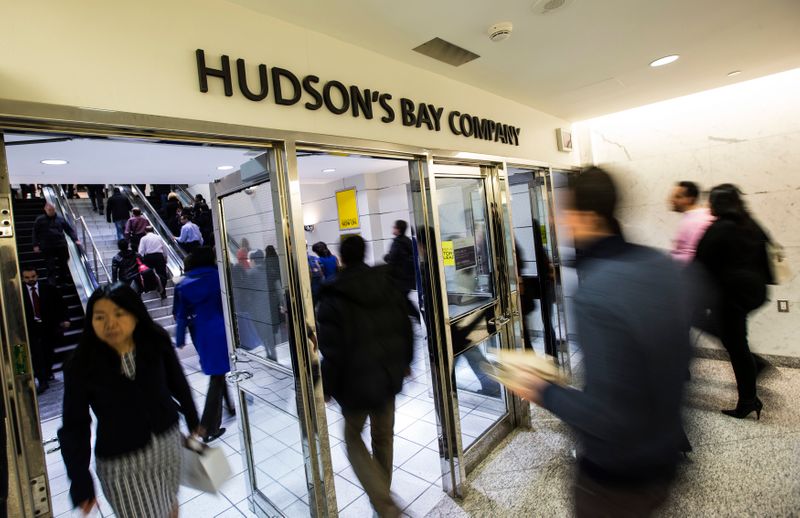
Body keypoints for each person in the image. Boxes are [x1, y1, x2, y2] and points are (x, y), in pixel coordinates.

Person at [511, 167, 690, 517]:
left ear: (588, 217)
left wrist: (541, 389)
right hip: (665, 458)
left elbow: (608, 415)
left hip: (616, 479)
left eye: (564, 213)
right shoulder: (660, 265)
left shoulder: (598, 291)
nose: (559, 221)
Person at [58, 283, 200, 518]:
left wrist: (193, 419)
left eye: (119, 314)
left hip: (168, 446)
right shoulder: (81, 363)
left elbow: (177, 382)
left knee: (170, 506)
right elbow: (75, 426)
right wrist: (80, 481)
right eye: (100, 317)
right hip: (123, 463)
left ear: (135, 314)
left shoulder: (155, 339)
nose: (110, 323)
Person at [316, 235, 413, 517]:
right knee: (383, 438)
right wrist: (405, 362)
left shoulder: (332, 296)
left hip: (354, 385)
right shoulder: (385, 281)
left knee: (352, 437)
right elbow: (403, 324)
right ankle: (383, 503)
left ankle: (383, 502)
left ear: (342, 258)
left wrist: (329, 386)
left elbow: (331, 351)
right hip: (386, 377)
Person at [694, 184, 772, 420]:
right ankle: (752, 375)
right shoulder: (751, 225)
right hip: (753, 294)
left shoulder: (719, 229)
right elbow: (766, 261)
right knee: (736, 342)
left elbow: (700, 264)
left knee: (737, 348)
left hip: (729, 298)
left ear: (717, 204)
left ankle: (749, 399)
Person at [174, 247, 234, 442]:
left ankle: (229, 406)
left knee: (218, 372)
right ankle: (208, 427)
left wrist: (180, 338)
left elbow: (181, 314)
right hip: (221, 328)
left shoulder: (184, 284)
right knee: (217, 377)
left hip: (201, 332)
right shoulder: (217, 276)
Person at [21, 268, 69, 394]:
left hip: (48, 326)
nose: (31, 279)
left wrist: (65, 319)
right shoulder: (19, 293)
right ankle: (42, 380)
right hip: (31, 328)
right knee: (36, 354)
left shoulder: (48, 289)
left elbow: (61, 304)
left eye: (33, 276)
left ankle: (47, 372)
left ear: (37, 276)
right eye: (27, 277)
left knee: (48, 351)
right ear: (22, 278)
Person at [32, 203, 81, 286]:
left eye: (53, 210)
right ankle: (52, 282)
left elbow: (69, 230)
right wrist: (35, 244)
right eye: (49, 210)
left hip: (61, 244)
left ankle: (63, 280)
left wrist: (75, 239)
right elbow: (35, 232)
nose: (51, 212)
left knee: (64, 263)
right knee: (50, 264)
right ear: (45, 210)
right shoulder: (40, 220)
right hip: (47, 246)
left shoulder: (60, 219)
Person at [669, 181, 715, 263]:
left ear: (690, 199)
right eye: (672, 196)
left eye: (678, 197)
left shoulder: (698, 220)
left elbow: (692, 255)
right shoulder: (692, 216)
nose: (672, 200)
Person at [383, 220, 417, 317]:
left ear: (398, 229)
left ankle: (415, 318)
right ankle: (416, 318)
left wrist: (385, 257)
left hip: (400, 280)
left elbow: (391, 259)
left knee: (400, 301)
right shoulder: (408, 241)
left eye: (394, 227)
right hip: (409, 279)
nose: (393, 228)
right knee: (404, 301)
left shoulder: (397, 243)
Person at [138, 226, 168, 299]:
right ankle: (163, 292)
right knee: (162, 274)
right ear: (153, 230)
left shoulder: (143, 238)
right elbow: (164, 247)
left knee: (149, 274)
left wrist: (140, 260)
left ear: (145, 231)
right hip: (159, 256)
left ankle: (152, 288)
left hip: (149, 257)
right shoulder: (158, 237)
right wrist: (165, 257)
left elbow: (141, 251)